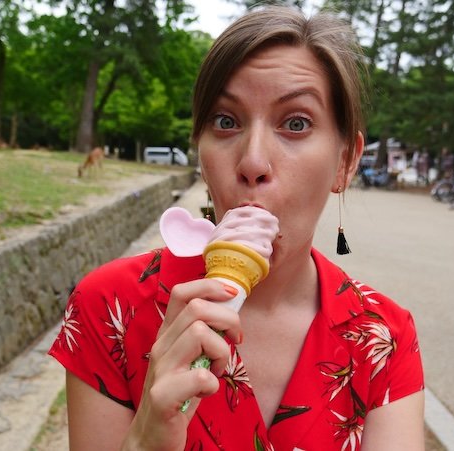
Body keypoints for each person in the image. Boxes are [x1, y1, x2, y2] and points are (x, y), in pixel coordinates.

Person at [49, 6, 424, 450]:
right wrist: (147, 437)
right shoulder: (110, 306)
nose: (252, 163)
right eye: (226, 121)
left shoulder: (383, 337)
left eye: (296, 123)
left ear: (345, 160)